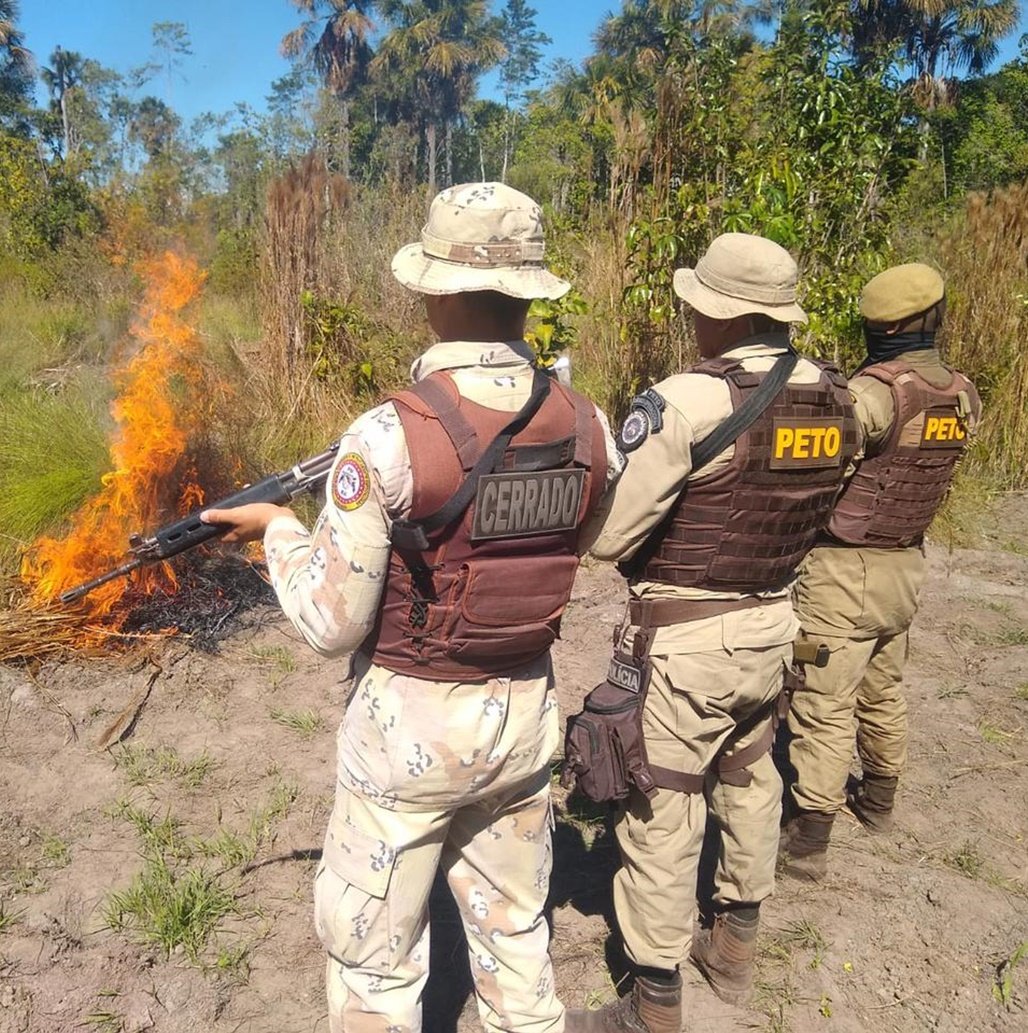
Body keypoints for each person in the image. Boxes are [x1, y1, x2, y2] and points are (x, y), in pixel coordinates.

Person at [202, 182, 621, 1033]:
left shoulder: (388, 437)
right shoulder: (589, 427)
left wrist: (281, 530)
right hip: (525, 713)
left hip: (410, 733)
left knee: (374, 963)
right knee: (516, 937)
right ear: (528, 296)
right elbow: (574, 547)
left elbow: (330, 622)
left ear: (432, 292)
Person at [565, 232, 859, 1033]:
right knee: (751, 776)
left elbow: (612, 538)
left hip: (690, 640)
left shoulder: (685, 401)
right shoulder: (838, 398)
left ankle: (653, 1000)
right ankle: (735, 940)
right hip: (777, 626)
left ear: (723, 315)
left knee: (663, 800)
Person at [780, 263, 982, 880]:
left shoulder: (874, 395)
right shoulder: (962, 392)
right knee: (884, 686)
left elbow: (815, 470)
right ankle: (880, 796)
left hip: (844, 570)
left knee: (823, 698)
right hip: (908, 566)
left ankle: (810, 833)